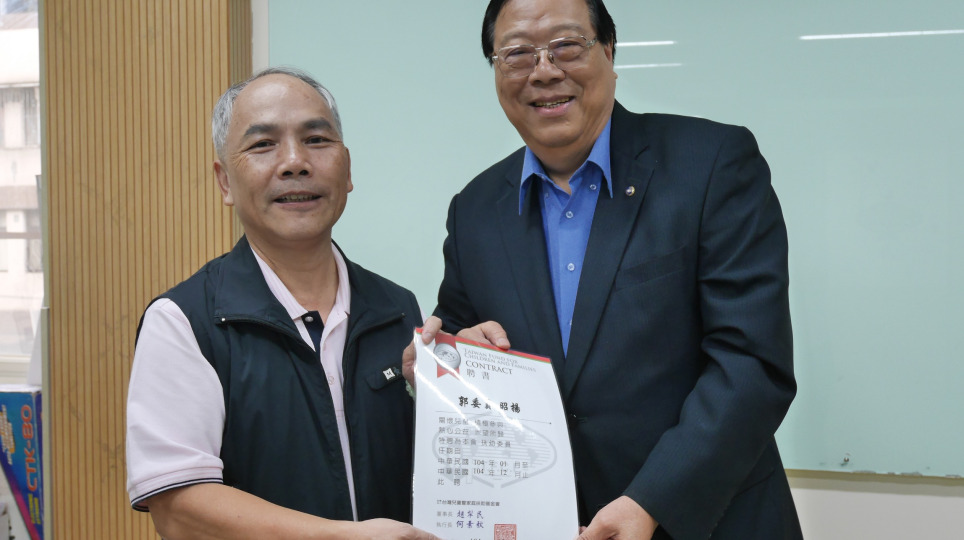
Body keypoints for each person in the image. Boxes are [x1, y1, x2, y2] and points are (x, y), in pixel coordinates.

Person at [421, 0, 804, 538]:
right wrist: (442, 359)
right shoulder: (475, 210)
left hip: (709, 519)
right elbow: (463, 341)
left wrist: (651, 501)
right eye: (517, 54)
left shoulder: (712, 162)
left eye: (566, 45)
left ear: (608, 51)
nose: (543, 70)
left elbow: (751, 362)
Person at [126, 67, 438, 540]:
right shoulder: (183, 322)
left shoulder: (397, 308)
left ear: (347, 169)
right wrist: (342, 538)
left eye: (316, 140)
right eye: (263, 144)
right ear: (224, 182)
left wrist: (471, 380)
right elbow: (179, 509)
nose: (295, 162)